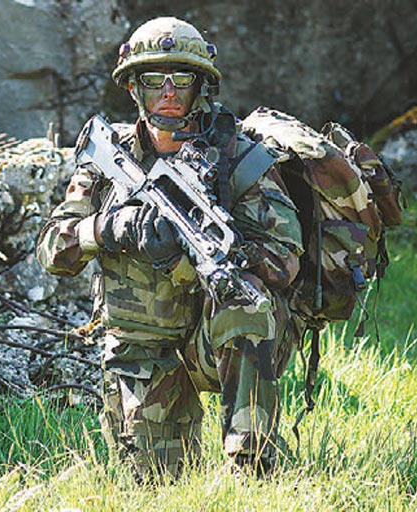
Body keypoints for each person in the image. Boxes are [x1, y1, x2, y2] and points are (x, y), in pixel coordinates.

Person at [36, 17, 303, 478]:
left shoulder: (239, 158)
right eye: (153, 79)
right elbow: (51, 254)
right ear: (134, 88)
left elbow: (286, 260)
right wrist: (106, 228)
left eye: (181, 78)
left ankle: (253, 469)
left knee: (248, 308)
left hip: (212, 340)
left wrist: (215, 254)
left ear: (201, 86)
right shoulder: (109, 159)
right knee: (154, 484)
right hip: (140, 352)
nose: (169, 91)